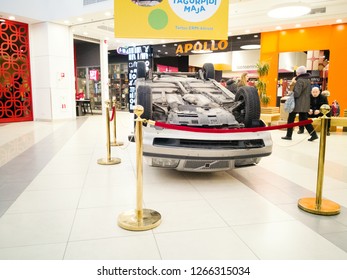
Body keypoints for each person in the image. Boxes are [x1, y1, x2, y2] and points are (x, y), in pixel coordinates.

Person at [282, 66, 318, 141]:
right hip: (305, 103)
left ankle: (289, 135)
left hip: (297, 103)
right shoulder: (308, 80)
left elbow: (297, 94)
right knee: (305, 120)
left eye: (297, 72)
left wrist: (291, 93)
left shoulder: (300, 80)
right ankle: (313, 134)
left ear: (299, 73)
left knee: (291, 119)